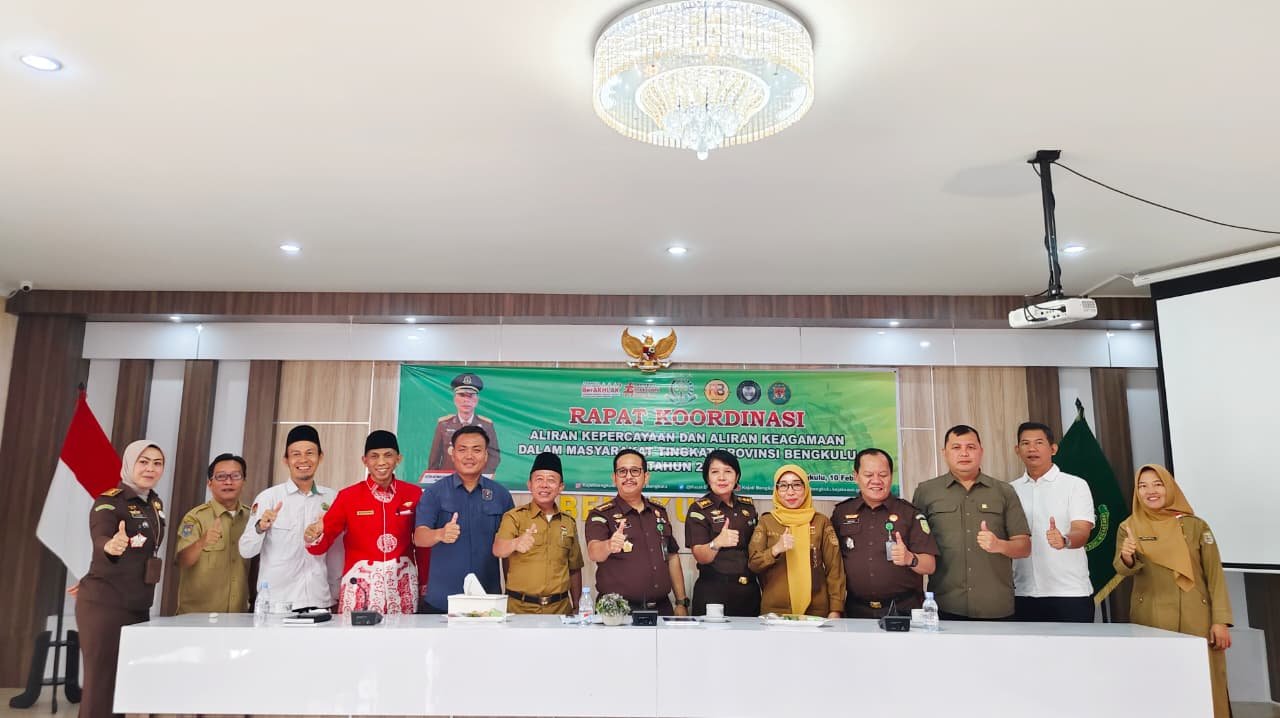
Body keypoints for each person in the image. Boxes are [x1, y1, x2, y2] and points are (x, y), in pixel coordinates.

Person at [1114, 464, 1232, 716]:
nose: (1151, 491)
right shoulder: (1129, 526)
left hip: (1196, 616)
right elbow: (1123, 569)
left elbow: (1214, 575)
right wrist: (1126, 556)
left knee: (1204, 678)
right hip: (1151, 616)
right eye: (1143, 486)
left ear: (1169, 487)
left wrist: (1220, 621)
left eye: (1157, 484)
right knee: (1157, 679)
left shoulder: (1195, 526)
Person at [75, 441, 167, 718]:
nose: (150, 468)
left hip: (137, 604)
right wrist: (109, 545)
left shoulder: (154, 503)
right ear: (129, 464)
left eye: (157, 463)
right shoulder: (109, 501)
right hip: (106, 605)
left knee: (121, 688)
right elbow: (101, 534)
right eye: (143, 461)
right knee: (100, 689)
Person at [912, 424, 1031, 620]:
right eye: (956, 447)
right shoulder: (926, 492)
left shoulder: (1004, 491)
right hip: (944, 606)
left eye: (971, 447)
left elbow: (1024, 547)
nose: (964, 453)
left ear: (981, 451)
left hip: (995, 606)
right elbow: (917, 547)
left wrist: (999, 545)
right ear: (944, 452)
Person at [305, 430, 423, 613]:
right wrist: (313, 535)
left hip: (402, 587)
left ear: (398, 459)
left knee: (404, 633)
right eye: (374, 456)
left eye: (388, 455)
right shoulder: (348, 496)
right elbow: (320, 546)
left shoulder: (414, 494)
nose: (381, 462)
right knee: (355, 633)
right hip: (360, 588)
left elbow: (423, 546)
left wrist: (425, 583)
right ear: (364, 460)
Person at [238, 424, 342, 610]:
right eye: (296, 454)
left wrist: (335, 595)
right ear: (286, 460)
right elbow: (246, 550)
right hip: (277, 604)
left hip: (319, 601)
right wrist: (260, 527)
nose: (303, 459)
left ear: (320, 457)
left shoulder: (332, 498)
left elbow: (336, 553)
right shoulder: (269, 498)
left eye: (310, 453)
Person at [414, 425, 514, 613]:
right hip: (443, 602)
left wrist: (510, 589)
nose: (469, 456)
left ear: (486, 455)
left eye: (476, 450)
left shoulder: (501, 496)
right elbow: (419, 537)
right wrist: (440, 534)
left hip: (488, 600)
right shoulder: (434, 493)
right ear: (452, 454)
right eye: (462, 450)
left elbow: (508, 548)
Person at [832, 448, 937, 619]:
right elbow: (831, 564)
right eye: (868, 475)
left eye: (883, 475)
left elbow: (930, 565)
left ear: (891, 476)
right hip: (856, 612)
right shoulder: (841, 513)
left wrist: (910, 558)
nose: (876, 481)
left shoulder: (909, 513)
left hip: (904, 611)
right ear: (856, 476)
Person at [1010, 421, 1097, 622]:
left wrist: (1065, 540)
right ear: (1017, 450)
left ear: (1053, 449)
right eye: (1025, 443)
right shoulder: (1010, 490)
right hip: (1023, 593)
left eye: (1039, 442)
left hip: (1069, 594)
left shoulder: (1075, 485)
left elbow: (1082, 531)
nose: (1032, 448)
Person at [585, 449, 689, 616]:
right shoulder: (601, 514)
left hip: (661, 608)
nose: (628, 476)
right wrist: (609, 545)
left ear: (646, 477)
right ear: (614, 478)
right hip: (617, 611)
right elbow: (594, 552)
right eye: (622, 471)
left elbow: (672, 556)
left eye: (635, 471)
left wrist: (681, 602)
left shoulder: (659, 513)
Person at [492, 451, 584, 614]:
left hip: (560, 609)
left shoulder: (568, 522)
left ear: (560, 487)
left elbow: (574, 568)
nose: (544, 485)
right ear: (529, 485)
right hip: (520, 609)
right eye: (539, 479)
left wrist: (577, 605)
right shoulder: (514, 517)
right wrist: (515, 543)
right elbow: (498, 549)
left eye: (551, 480)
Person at [748, 465, 844, 618]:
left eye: (797, 485)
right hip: (776, 611)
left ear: (806, 488)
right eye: (783, 486)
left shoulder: (821, 522)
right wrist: (775, 550)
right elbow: (753, 564)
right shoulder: (767, 521)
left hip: (816, 610)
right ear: (776, 490)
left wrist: (835, 609)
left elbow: (835, 569)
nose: (790, 492)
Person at [684, 449, 760, 617]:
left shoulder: (748, 507)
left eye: (728, 471)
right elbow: (700, 556)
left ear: (737, 476)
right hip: (714, 593)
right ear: (707, 477)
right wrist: (717, 543)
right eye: (715, 472)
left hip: (749, 592)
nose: (722, 478)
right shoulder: (698, 509)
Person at [174, 453, 251, 614]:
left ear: (244, 481)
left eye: (235, 476)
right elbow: (182, 561)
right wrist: (202, 542)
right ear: (209, 483)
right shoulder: (195, 518)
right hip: (197, 616)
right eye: (221, 476)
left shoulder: (251, 519)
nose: (228, 482)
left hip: (239, 616)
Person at [427, 373, 501, 473]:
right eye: (462, 395)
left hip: (476, 479)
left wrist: (481, 476)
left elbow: (494, 457)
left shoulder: (486, 425)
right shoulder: (443, 425)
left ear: (477, 400)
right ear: (455, 399)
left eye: (470, 396)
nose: (466, 400)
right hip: (449, 479)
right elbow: (434, 459)